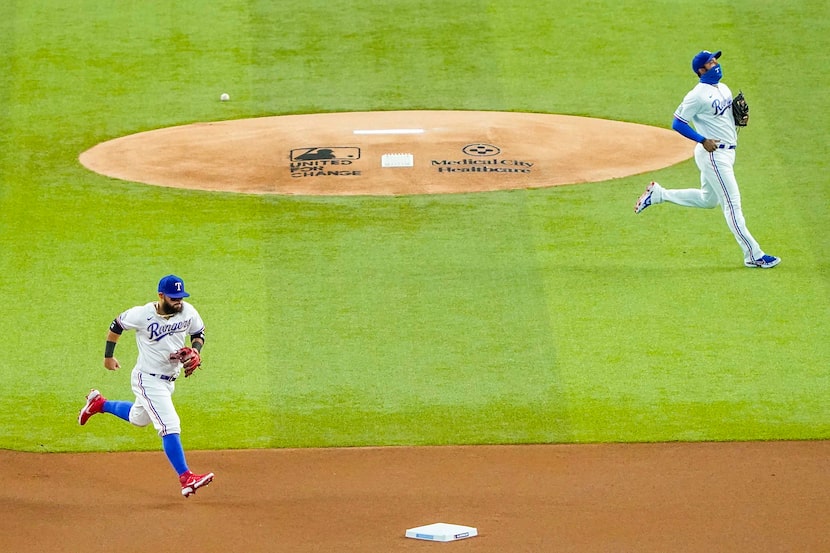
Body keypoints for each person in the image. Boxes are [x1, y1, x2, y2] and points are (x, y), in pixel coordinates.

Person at [634, 49, 780, 269]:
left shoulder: (724, 88)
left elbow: (727, 116)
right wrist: (702, 139)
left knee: (708, 200)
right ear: (701, 70)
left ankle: (659, 195)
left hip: (728, 152)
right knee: (732, 205)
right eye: (711, 62)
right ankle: (754, 255)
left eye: (715, 60)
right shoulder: (696, 95)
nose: (716, 64)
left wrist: (740, 119)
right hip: (713, 155)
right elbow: (678, 122)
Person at [78, 274, 214, 498]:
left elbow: (198, 333)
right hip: (147, 379)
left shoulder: (188, 311)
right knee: (170, 424)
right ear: (161, 296)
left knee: (138, 418)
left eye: (181, 297)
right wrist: (108, 357)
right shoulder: (142, 314)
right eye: (173, 298)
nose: (178, 301)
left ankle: (99, 404)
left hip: (169, 380)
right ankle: (186, 477)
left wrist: (196, 349)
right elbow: (117, 324)